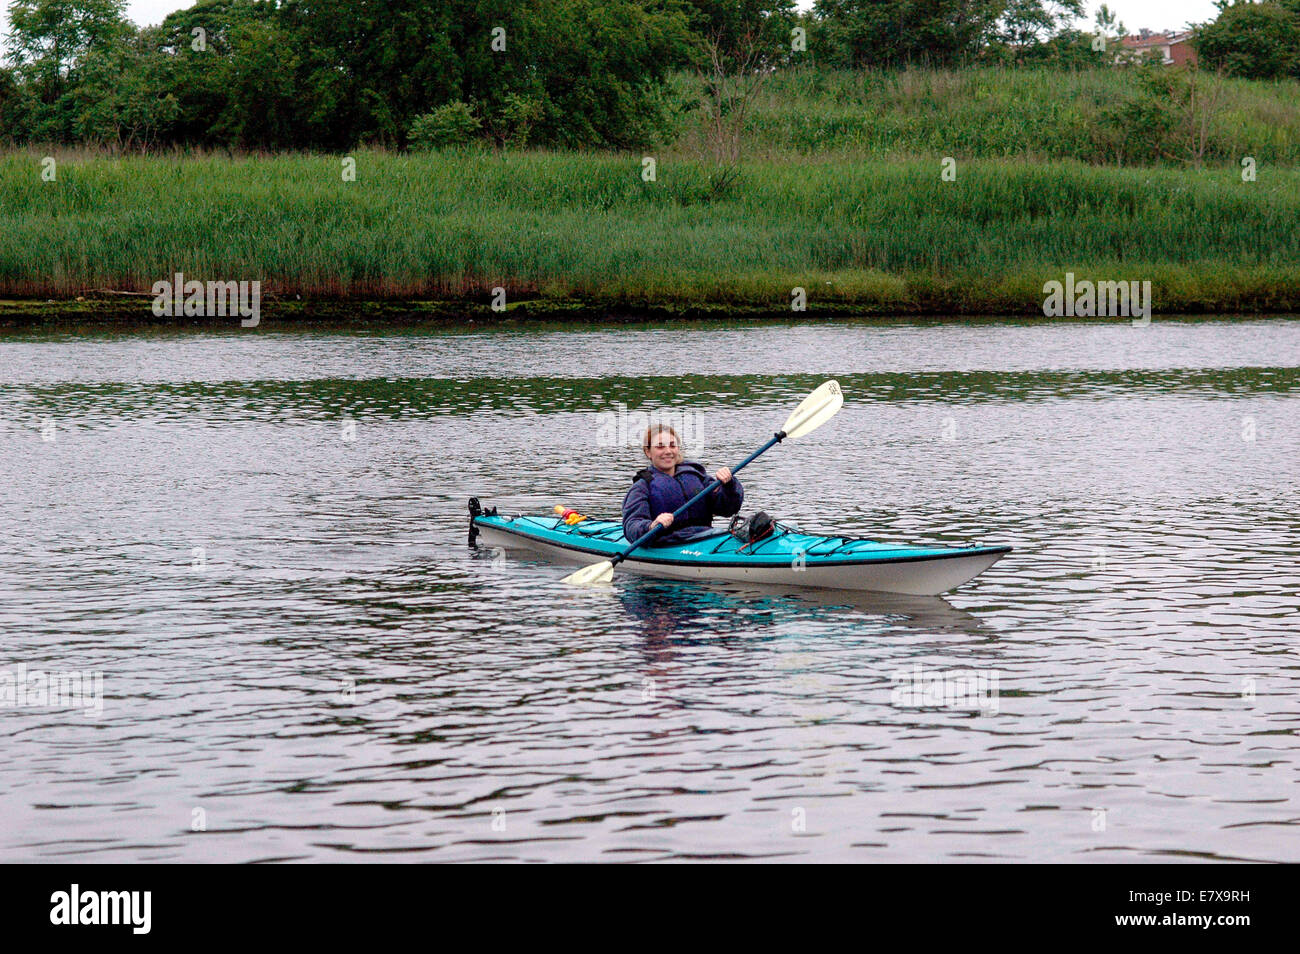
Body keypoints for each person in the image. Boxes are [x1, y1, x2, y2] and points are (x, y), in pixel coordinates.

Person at [622, 424, 743, 546]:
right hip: (669, 544)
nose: (668, 451)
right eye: (660, 447)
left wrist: (729, 486)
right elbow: (631, 526)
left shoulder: (696, 476)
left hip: (707, 538)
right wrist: (651, 526)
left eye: (672, 445)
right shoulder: (642, 487)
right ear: (648, 452)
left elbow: (728, 509)